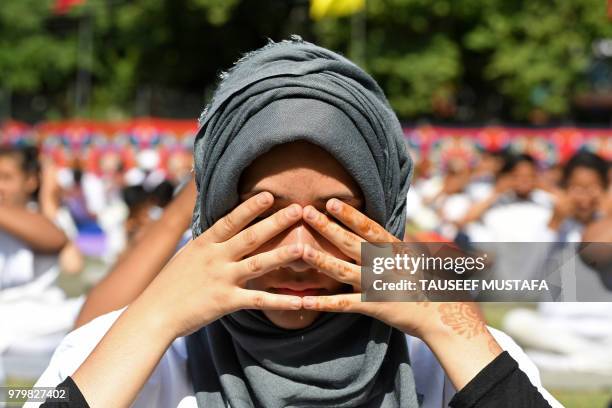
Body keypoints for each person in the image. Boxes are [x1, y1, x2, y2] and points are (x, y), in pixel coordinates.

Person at [31, 39, 559, 408]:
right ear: (215, 203)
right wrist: (154, 320)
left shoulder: (445, 357)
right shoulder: (128, 350)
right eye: (265, 212)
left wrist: (457, 332)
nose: (300, 250)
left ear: (384, 213)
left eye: (337, 214)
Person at [0, 146, 81, 385]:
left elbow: (70, 262)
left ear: (31, 181)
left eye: (6, 177)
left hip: (44, 317)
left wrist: (49, 199)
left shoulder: (47, 216)